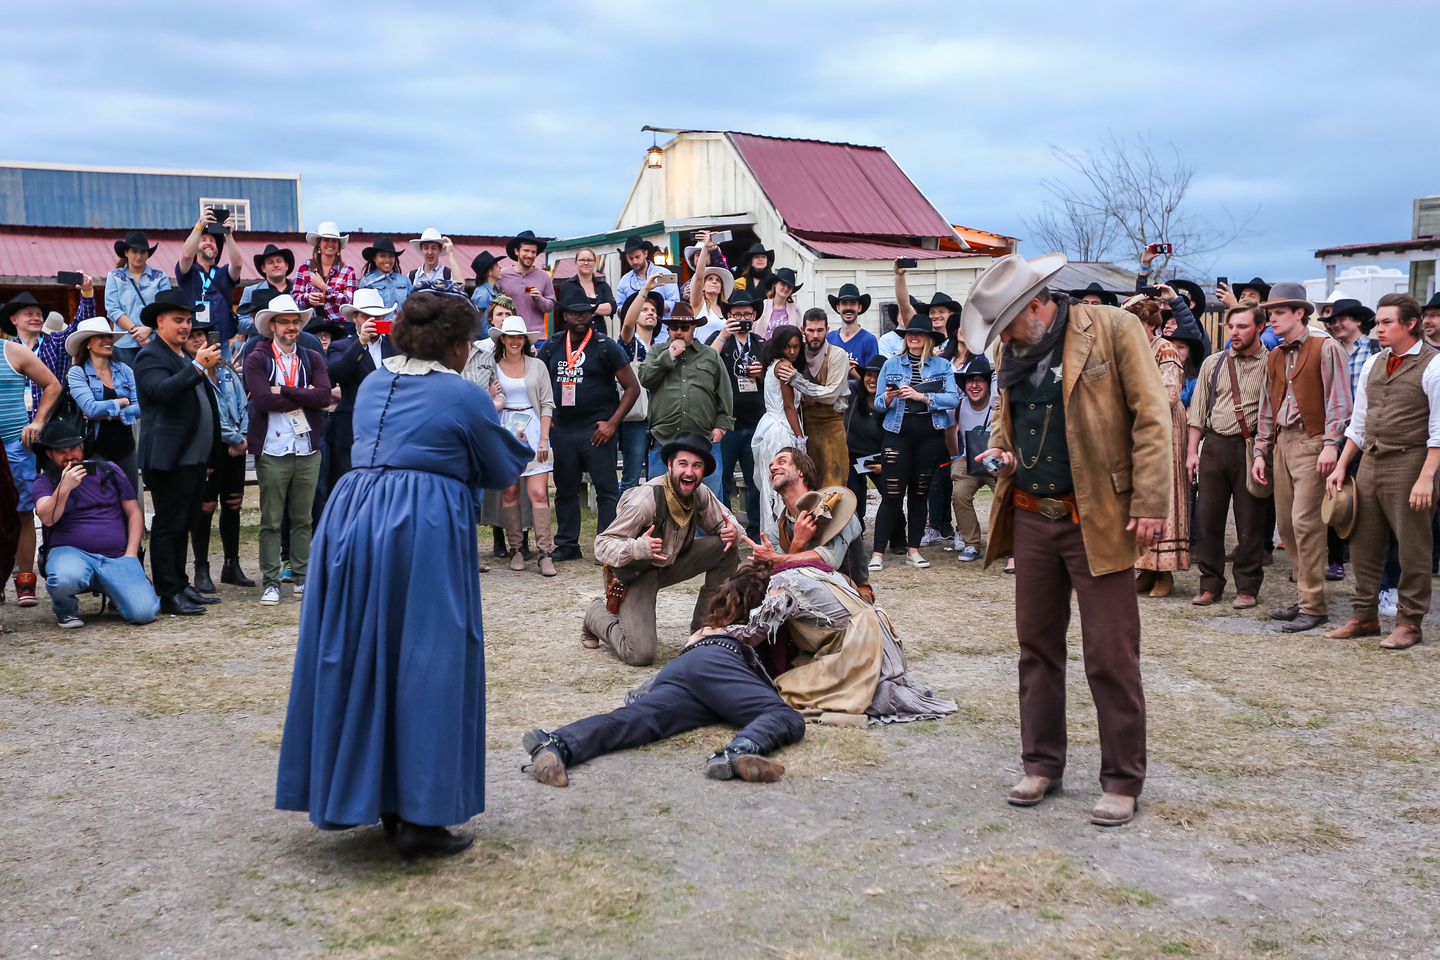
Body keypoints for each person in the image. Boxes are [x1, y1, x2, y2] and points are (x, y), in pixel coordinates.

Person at [276, 290, 531, 859]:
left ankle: (377, 798)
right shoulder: (464, 394)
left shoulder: (371, 384)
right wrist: (519, 442)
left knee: (359, 653)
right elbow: (498, 467)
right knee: (428, 659)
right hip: (421, 526)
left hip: (351, 521)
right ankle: (421, 814)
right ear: (456, 344)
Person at [966, 252, 1171, 827]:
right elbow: (1008, 415)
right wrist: (1002, 449)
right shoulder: (1016, 348)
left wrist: (1153, 503)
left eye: (1008, 326)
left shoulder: (1113, 328)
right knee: (1036, 649)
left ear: (1036, 306)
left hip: (1098, 516)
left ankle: (1123, 780)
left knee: (1110, 653)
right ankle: (1041, 764)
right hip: (1032, 516)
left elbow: (1152, 417)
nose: (1003, 340)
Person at [524, 561, 804, 787]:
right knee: (785, 715)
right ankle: (740, 751)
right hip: (719, 660)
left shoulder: (709, 628)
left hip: (683, 668)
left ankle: (556, 742)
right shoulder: (758, 620)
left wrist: (640, 697)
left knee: (636, 721)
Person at [1322, 295, 1438, 649]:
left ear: (1410, 324)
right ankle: (1364, 615)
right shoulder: (1374, 362)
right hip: (1370, 461)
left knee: (1413, 547)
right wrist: (1341, 466)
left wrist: (1426, 477)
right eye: (1379, 322)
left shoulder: (1434, 365)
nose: (1379, 328)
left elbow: (1439, 429)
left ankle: (1410, 622)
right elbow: (1358, 424)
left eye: (1387, 322)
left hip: (1410, 462)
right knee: (1363, 544)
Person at [585, 432, 741, 666]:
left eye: (697, 466)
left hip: (672, 562)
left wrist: (734, 531)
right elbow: (602, 545)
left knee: (726, 546)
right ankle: (595, 615)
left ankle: (703, 631)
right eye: (683, 464)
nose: (690, 472)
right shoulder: (645, 500)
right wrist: (637, 548)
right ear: (670, 465)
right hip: (637, 573)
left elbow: (725, 520)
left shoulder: (699, 491)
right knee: (640, 655)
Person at [1251, 282, 1353, 634]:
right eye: (1270, 313)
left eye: (1278, 313)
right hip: (1282, 443)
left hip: (1313, 441)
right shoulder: (1276, 354)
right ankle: (1305, 596)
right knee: (1286, 525)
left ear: (1299, 313)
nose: (1272, 319)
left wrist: (1330, 443)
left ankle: (1313, 604)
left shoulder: (1326, 347)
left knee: (1306, 524)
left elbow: (1340, 401)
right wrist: (1261, 450)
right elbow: (1268, 406)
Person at [134, 289, 223, 616]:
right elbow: (160, 392)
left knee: (184, 523)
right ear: (160, 322)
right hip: (169, 456)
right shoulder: (150, 355)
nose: (186, 327)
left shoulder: (183, 356)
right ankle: (168, 592)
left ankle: (181, 583)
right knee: (168, 524)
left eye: (188, 320)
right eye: (178, 320)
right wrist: (197, 366)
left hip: (192, 457)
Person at [244, 294, 334, 606]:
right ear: (272, 325)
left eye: (295, 321)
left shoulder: (312, 357)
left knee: (303, 518)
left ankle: (301, 577)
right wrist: (303, 395)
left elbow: (323, 396)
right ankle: (271, 581)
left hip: (307, 448)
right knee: (271, 519)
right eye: (285, 321)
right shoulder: (257, 357)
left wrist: (283, 389)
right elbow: (261, 401)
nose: (291, 326)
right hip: (272, 449)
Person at [537, 292, 640, 561]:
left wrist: (612, 424)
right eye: (574, 312)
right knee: (565, 489)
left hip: (598, 430)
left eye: (585, 312)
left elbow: (632, 388)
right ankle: (567, 544)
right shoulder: (552, 346)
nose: (580, 317)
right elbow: (537, 382)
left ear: (592, 314)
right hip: (563, 430)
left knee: (606, 489)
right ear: (565, 315)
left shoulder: (605, 346)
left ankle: (605, 544)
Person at [32, 418, 158, 628]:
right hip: (70, 553)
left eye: (73, 449)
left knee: (144, 614)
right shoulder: (45, 481)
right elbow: (47, 517)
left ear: (82, 447)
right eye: (60, 452)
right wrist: (64, 487)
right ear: (49, 454)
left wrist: (131, 554)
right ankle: (65, 610)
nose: (69, 456)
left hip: (117, 556)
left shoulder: (108, 470)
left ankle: (118, 593)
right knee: (65, 578)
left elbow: (134, 512)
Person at [1187, 304, 1270, 609]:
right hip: (1214, 445)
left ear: (1260, 327)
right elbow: (1196, 414)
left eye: (1242, 326)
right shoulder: (1213, 363)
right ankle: (1209, 584)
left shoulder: (1272, 363)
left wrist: (1263, 451)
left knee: (1250, 521)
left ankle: (1247, 587)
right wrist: (1191, 453)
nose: (1234, 332)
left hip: (1251, 448)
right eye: (1231, 326)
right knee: (1208, 518)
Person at [869, 314, 959, 571]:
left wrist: (923, 396)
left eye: (919, 333)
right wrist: (887, 398)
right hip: (896, 434)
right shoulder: (891, 364)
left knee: (920, 495)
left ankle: (913, 550)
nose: (913, 337)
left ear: (929, 339)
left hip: (929, 435)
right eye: (909, 333)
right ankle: (877, 554)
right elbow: (877, 404)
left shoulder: (942, 366)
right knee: (892, 494)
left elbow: (953, 399)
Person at [0, 293, 64, 606]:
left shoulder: (11, 351)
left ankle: (25, 581)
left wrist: (38, 421)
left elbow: (52, 384)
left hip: (14, 443)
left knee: (23, 511)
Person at [1126, 297, 1191, 597]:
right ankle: (1146, 568)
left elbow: (1170, 394)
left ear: (1152, 325)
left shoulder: (1165, 349)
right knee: (1142, 492)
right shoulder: (1130, 350)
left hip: (1165, 428)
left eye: (1139, 323)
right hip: (1138, 425)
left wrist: (1134, 403)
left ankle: (1165, 571)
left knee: (1166, 494)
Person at [182, 313, 252, 591]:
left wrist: (243, 436)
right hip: (208, 446)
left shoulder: (227, 369)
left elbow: (242, 404)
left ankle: (232, 565)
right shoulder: (190, 372)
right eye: (194, 336)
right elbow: (206, 414)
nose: (200, 339)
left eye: (204, 335)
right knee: (206, 506)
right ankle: (201, 568)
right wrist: (235, 437)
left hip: (237, 448)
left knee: (233, 504)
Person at [486, 315, 556, 576]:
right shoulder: (492, 366)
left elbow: (547, 403)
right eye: (510, 336)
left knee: (538, 493)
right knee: (509, 493)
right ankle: (516, 549)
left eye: (519, 337)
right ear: (502, 338)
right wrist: (490, 394)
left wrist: (544, 439)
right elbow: (481, 400)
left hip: (534, 426)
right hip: (504, 429)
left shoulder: (537, 365)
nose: (515, 341)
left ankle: (545, 552)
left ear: (525, 340)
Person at [640, 301, 733, 497]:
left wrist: (721, 428)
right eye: (674, 327)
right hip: (664, 439)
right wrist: (669, 356)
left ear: (693, 328)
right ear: (669, 329)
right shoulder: (657, 352)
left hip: (705, 439)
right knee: (658, 501)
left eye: (684, 327)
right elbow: (645, 378)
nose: (679, 332)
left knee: (709, 502)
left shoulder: (710, 355)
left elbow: (724, 393)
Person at [65, 318, 142, 521]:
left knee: (130, 502)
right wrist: (123, 403)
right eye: (101, 336)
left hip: (126, 448)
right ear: (88, 343)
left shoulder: (125, 370)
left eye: (109, 336)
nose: (107, 340)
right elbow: (89, 408)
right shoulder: (77, 372)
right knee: (99, 504)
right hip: (94, 449)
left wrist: (110, 411)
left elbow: (141, 407)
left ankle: (130, 551)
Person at [707, 290, 767, 538]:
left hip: (756, 423)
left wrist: (762, 373)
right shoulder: (720, 340)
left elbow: (775, 380)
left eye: (746, 314)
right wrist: (723, 334)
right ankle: (727, 529)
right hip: (726, 423)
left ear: (754, 315)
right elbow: (707, 362)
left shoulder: (762, 344)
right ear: (727, 315)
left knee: (756, 482)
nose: (742, 318)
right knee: (723, 481)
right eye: (736, 314)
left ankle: (755, 532)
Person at [775, 308, 852, 491]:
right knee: (808, 482)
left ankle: (838, 519)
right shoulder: (796, 354)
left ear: (827, 329)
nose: (815, 335)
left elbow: (831, 394)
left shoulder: (837, 355)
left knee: (835, 482)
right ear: (803, 330)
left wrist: (796, 380)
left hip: (832, 425)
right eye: (810, 330)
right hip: (805, 425)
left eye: (820, 330)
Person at [846, 353, 907, 558]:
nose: (872, 380)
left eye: (877, 375)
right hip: (852, 454)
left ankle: (898, 538)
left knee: (891, 492)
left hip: (880, 456)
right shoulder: (853, 393)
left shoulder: (893, 401)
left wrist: (886, 463)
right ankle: (856, 537)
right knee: (853, 496)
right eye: (868, 375)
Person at [751, 325, 807, 532]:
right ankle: (783, 535)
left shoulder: (772, 364)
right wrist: (801, 439)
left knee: (772, 487)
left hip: (769, 427)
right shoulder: (783, 366)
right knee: (785, 485)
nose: (792, 352)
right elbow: (789, 406)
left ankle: (775, 535)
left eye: (796, 347)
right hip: (781, 430)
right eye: (787, 347)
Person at [176, 205, 244, 358]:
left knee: (225, 381)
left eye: (212, 240)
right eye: (203, 240)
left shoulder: (223, 272)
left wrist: (228, 234)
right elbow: (186, 256)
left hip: (222, 342)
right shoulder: (189, 271)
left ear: (218, 249)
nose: (208, 243)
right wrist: (199, 226)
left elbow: (238, 264)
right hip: (193, 341)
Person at [951, 356, 997, 562]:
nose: (974, 385)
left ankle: (1010, 543)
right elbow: (949, 431)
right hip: (969, 459)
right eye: (970, 381)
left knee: (1008, 497)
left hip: (995, 461)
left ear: (988, 385)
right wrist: (955, 458)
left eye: (979, 380)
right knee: (959, 494)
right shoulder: (959, 406)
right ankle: (971, 543)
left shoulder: (998, 407)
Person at [617, 287, 663, 491]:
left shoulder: (662, 347)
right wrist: (645, 289)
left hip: (660, 417)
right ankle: (626, 522)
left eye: (653, 310)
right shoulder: (628, 344)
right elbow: (627, 324)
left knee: (658, 477)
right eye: (644, 309)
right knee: (631, 478)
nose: (651, 312)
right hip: (635, 418)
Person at [105, 230, 167, 367]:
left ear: (148, 254)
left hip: (154, 340)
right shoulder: (114, 276)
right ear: (126, 253)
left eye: (142, 252)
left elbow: (166, 307)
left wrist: (149, 328)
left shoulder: (160, 276)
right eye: (134, 251)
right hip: (123, 344)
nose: (138, 256)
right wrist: (137, 332)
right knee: (127, 384)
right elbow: (112, 309)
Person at [293, 222, 358, 338]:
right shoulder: (305, 268)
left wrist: (324, 287)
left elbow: (349, 302)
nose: (330, 244)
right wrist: (308, 298)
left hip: (340, 326)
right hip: (312, 325)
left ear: (338, 245)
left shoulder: (348, 271)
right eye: (326, 240)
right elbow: (295, 297)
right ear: (319, 244)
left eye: (334, 241)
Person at [495, 231, 555, 335]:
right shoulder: (502, 276)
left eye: (533, 252)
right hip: (509, 334)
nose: (530, 255)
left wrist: (539, 299)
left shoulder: (544, 276)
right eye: (526, 251)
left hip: (536, 336)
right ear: (516, 251)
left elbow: (551, 307)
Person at [613, 235, 679, 318]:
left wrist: (651, 306)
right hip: (635, 330)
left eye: (637, 257)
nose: (635, 261)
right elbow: (619, 310)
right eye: (631, 258)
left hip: (662, 329)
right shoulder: (624, 280)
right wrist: (633, 308)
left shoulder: (664, 273)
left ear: (645, 253)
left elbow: (675, 303)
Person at [238, 244, 297, 338]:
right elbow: (239, 324)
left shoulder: (298, 291)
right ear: (263, 268)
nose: (276, 265)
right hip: (258, 346)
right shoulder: (250, 291)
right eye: (270, 262)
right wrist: (264, 324)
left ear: (286, 265)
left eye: (279, 261)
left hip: (293, 344)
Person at [557, 247, 617, 336]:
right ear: (576, 263)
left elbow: (611, 308)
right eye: (582, 260)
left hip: (599, 334)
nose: (586, 263)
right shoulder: (567, 285)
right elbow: (568, 310)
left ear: (594, 263)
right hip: (576, 335)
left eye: (589, 260)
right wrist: (598, 308)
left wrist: (587, 308)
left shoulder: (603, 285)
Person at [686, 232, 732, 343]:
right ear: (702, 286)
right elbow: (699, 276)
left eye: (718, 280)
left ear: (722, 288)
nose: (714, 282)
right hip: (700, 357)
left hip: (722, 358)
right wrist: (706, 247)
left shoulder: (726, 310)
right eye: (710, 279)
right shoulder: (698, 304)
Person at [826, 283, 879, 371]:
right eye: (844, 303)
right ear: (838, 308)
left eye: (853, 303)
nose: (848, 307)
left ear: (859, 307)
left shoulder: (869, 340)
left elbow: (871, 379)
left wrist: (849, 370)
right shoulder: (829, 338)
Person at [357, 236, 411, 313]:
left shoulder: (404, 280)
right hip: (379, 324)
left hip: (402, 324)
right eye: (382, 256)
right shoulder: (367, 282)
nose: (387, 260)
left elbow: (412, 305)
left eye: (391, 256)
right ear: (374, 258)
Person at [758, 267, 803, 338]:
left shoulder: (795, 309)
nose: (786, 288)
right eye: (783, 284)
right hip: (763, 348)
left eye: (789, 286)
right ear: (775, 284)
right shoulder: (763, 306)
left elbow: (800, 334)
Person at [469, 251, 504, 328]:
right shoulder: (482, 295)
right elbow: (480, 326)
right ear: (490, 272)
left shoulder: (494, 291)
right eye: (496, 265)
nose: (500, 268)